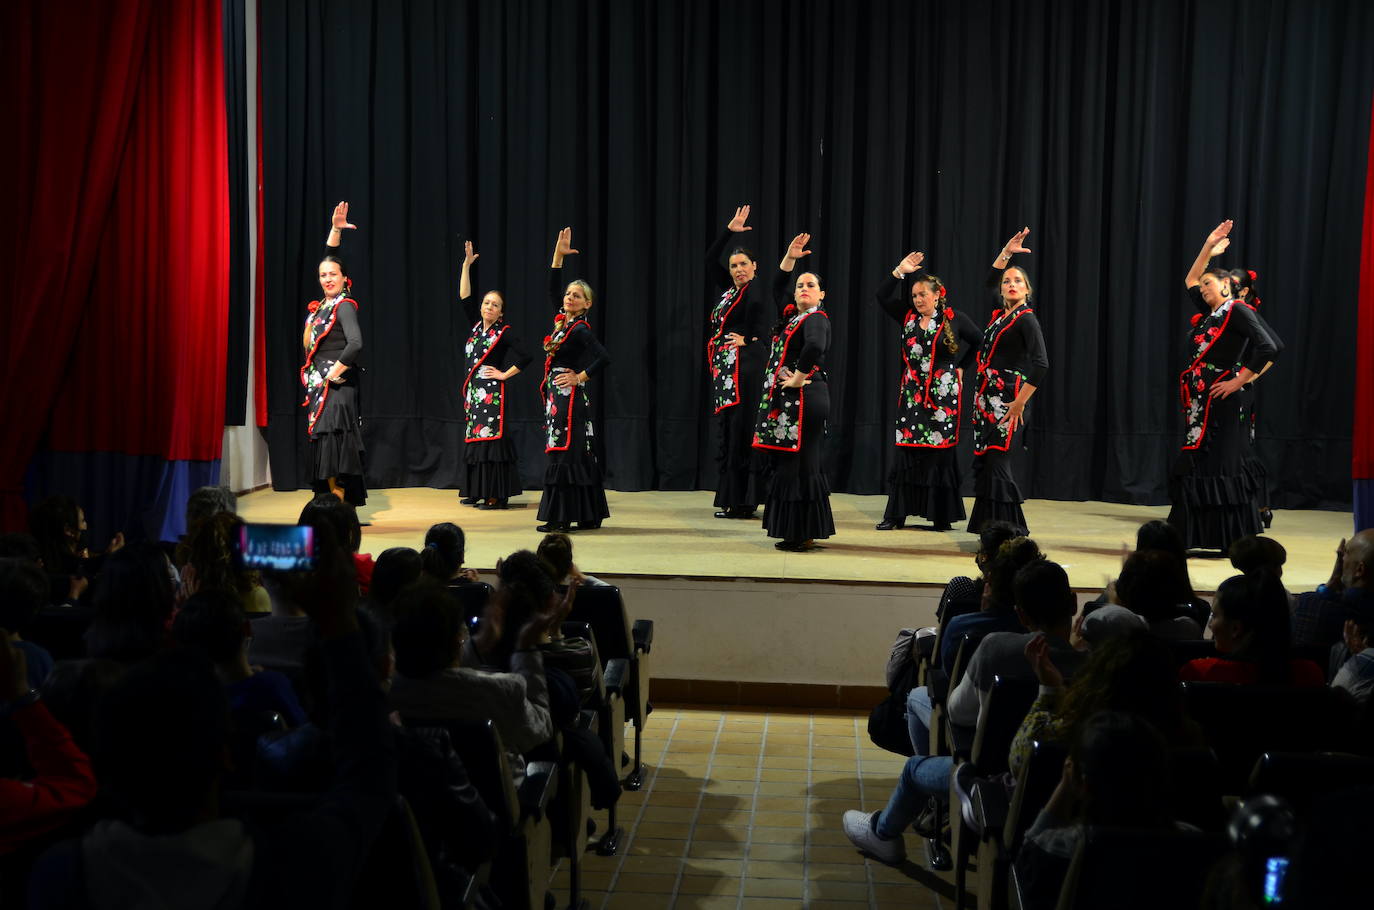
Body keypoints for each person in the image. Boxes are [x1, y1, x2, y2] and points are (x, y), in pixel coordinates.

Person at [1166, 221, 1277, 552]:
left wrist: (1239, 380)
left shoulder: (1237, 311)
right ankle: (1195, 535)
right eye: (1202, 287)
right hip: (1202, 404)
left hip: (1224, 402)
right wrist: (1207, 247)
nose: (1202, 289)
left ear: (1227, 286)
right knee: (1196, 465)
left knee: (1219, 467)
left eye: (1209, 284)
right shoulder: (1211, 315)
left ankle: (1230, 537)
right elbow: (1189, 279)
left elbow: (1270, 347)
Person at [873, 251, 982, 530]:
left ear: (937, 295)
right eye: (914, 295)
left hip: (942, 398)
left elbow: (980, 341)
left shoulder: (954, 319)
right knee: (908, 451)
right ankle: (896, 515)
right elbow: (882, 296)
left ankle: (940, 515)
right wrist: (900, 270)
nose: (918, 299)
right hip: (912, 396)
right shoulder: (907, 316)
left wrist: (962, 367)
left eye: (923, 294)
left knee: (939, 454)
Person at [752, 232, 835, 552]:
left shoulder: (816, 318)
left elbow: (815, 346)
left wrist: (799, 378)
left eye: (810, 285)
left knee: (802, 464)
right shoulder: (794, 317)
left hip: (806, 400)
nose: (803, 289)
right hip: (792, 401)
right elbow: (776, 287)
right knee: (791, 464)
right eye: (800, 285)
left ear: (821, 294)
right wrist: (790, 257)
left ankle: (803, 531)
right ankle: (794, 530)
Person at [967, 228, 1048, 534]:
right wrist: (1006, 253)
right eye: (1007, 281)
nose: (1011, 284)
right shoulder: (1002, 316)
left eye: (1017, 281)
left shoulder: (1026, 318)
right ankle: (990, 529)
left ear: (1027, 290)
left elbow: (1041, 364)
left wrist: (1019, 403)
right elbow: (990, 280)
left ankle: (1011, 532)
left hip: (1008, 400)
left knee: (998, 462)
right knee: (990, 464)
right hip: (987, 398)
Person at [536, 227, 611, 534]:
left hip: (569, 399)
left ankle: (562, 516)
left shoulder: (580, 329)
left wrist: (579, 377)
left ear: (587, 304)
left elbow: (604, 357)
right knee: (569, 451)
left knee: (567, 452)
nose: (569, 298)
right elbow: (552, 287)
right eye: (569, 294)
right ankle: (587, 514)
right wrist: (558, 255)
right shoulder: (561, 324)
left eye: (576, 296)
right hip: (557, 398)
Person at [704, 205, 775, 519]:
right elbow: (709, 260)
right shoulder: (732, 292)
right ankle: (737, 498)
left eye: (743, 264)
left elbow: (767, 327)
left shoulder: (755, 289)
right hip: (729, 371)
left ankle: (744, 500)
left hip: (746, 367)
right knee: (733, 429)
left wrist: (749, 340)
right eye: (733, 265)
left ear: (755, 266)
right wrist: (729, 232)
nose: (738, 269)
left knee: (743, 430)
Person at [457, 239, 531, 510]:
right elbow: (464, 296)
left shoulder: (504, 333)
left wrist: (503, 374)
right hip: (475, 396)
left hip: (492, 395)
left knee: (492, 442)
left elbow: (526, 356)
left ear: (501, 312)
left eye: (495, 304)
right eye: (486, 302)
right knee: (477, 439)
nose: (489, 306)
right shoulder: (477, 328)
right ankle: (477, 489)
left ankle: (496, 495)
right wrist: (466, 266)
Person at [301, 201, 366, 506]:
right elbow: (330, 257)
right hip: (323, 388)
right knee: (328, 445)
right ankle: (334, 504)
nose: (327, 278)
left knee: (335, 445)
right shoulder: (322, 308)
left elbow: (355, 344)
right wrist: (335, 229)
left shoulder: (344, 305)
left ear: (344, 278)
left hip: (337, 389)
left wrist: (334, 371)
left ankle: (338, 503)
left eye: (333, 274)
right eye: (323, 275)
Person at [1180, 570, 1323, 686]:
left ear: (1236, 629)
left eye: (1215, 615)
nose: (1210, 624)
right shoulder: (1310, 674)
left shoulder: (1199, 672)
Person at [1228, 266, 1282, 529]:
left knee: (1241, 448)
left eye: (1234, 283)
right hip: (1229, 386)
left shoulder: (1245, 314)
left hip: (1238, 387)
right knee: (1235, 446)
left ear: (1245, 290)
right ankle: (1249, 505)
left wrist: (1248, 377)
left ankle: (1260, 504)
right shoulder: (1229, 313)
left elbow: (1275, 347)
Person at [1291, 530, 1374, 650]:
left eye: (1346, 553)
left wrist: (1329, 585)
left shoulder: (1310, 606)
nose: (1342, 558)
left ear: (1359, 570)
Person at [537, 532, 609, 588]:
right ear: (570, 565)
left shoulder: (530, 594)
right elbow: (610, 592)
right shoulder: (584, 593)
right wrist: (581, 577)